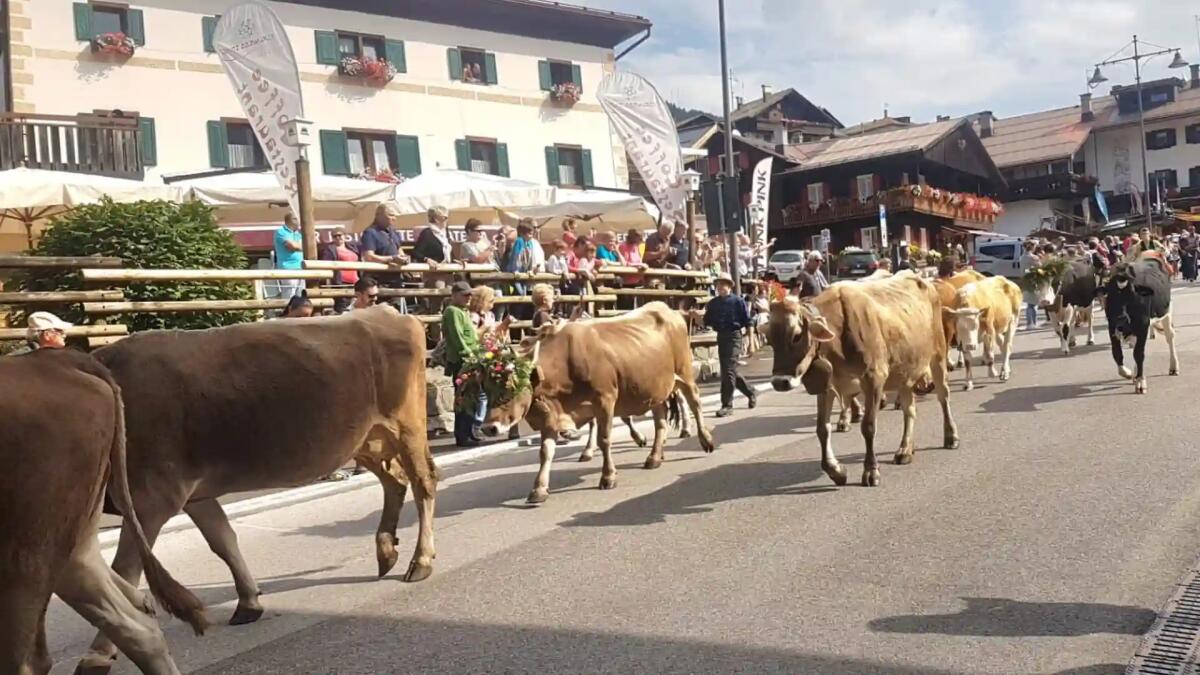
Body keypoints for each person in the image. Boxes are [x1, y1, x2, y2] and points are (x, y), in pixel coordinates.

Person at [693, 273, 756, 418]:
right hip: (721, 337)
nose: (719, 287)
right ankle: (750, 391)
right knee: (730, 371)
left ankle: (727, 405)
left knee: (728, 371)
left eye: (722, 284)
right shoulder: (713, 303)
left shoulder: (737, 301)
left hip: (734, 336)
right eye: (718, 284)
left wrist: (751, 342)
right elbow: (706, 323)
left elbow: (748, 321)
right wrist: (696, 317)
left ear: (729, 286)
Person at [443, 281, 483, 448]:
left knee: (472, 396)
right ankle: (461, 434)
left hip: (470, 358)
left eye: (469, 295)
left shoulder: (463, 311)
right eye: (464, 295)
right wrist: (469, 354)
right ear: (454, 295)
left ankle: (469, 431)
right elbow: (457, 338)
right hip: (462, 360)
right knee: (462, 396)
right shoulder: (452, 312)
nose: (468, 298)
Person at [320, 229, 360, 312]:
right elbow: (326, 264)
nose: (338, 237)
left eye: (340, 235)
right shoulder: (329, 249)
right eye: (335, 236)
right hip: (340, 282)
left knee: (355, 306)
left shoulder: (353, 248)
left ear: (345, 236)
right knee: (342, 307)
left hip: (356, 282)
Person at [273, 213, 304, 301]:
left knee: (301, 293)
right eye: (297, 219)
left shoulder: (297, 233)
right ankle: (288, 313)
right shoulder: (281, 231)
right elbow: (292, 246)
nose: (299, 221)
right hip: (288, 268)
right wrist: (302, 246)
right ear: (291, 220)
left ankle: (300, 314)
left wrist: (300, 246)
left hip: (301, 267)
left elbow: (300, 246)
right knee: (289, 294)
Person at [1019, 240, 1041, 331]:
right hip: (1033, 280)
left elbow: (1024, 270)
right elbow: (1039, 267)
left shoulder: (1022, 257)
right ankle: (1032, 322)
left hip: (1025, 279)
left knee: (1029, 302)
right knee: (1033, 303)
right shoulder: (1034, 258)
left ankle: (1030, 322)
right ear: (1033, 247)